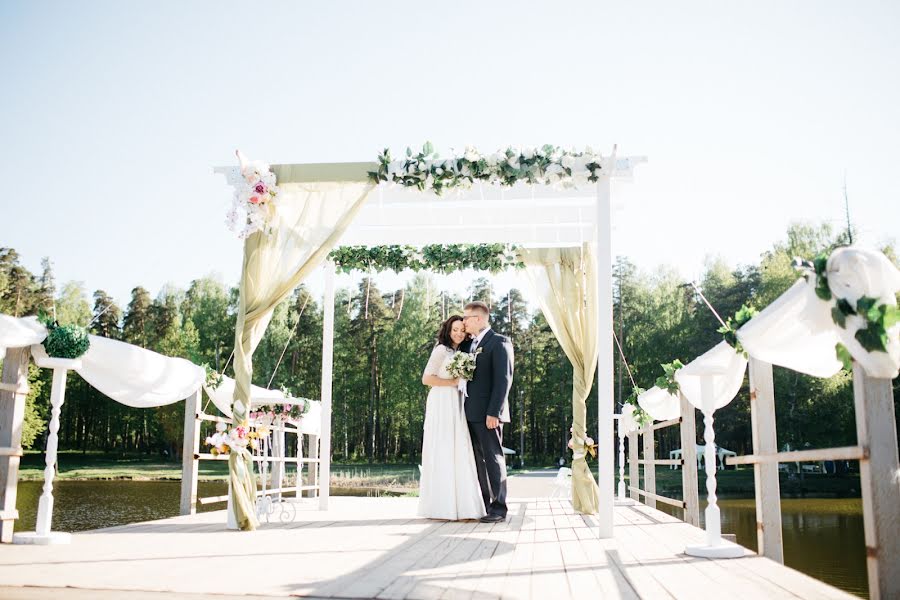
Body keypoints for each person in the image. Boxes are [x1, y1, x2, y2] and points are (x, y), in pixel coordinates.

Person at [417, 315, 486, 520]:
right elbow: (426, 378)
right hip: (441, 402)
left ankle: (462, 505)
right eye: (454, 329)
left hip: (456, 403)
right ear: (448, 330)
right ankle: (441, 506)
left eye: (461, 330)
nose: (458, 333)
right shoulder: (440, 350)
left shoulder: (460, 352)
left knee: (458, 448)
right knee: (443, 448)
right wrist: (453, 382)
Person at [460, 301, 514, 523]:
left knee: (493, 458)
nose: (463, 322)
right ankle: (484, 504)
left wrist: (494, 412)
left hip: (488, 414)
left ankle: (499, 508)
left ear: (479, 319)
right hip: (469, 413)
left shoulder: (499, 342)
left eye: (466, 318)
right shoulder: (470, 345)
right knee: (477, 461)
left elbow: (504, 380)